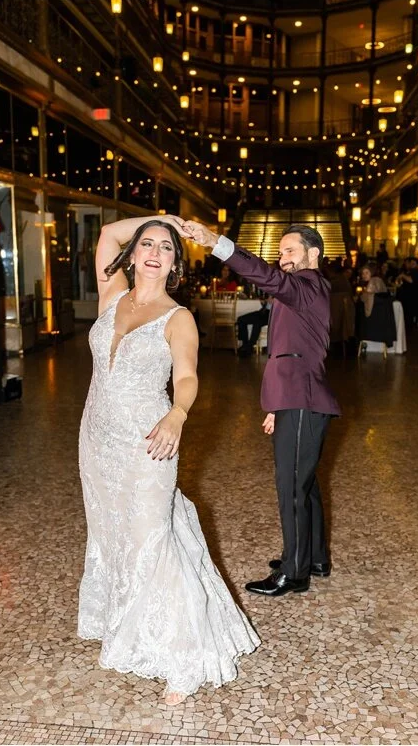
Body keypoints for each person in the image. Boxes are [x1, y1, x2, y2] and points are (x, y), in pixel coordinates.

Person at [77, 215, 259, 705]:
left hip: (149, 440)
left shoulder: (177, 317)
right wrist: (166, 219)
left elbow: (187, 377)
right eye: (147, 244)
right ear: (133, 254)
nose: (155, 251)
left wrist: (178, 415)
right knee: (112, 534)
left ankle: (184, 659)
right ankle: (128, 631)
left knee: (151, 540)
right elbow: (106, 234)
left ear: (176, 264)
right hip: (96, 439)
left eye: (167, 247)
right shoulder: (111, 295)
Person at [179, 219, 341, 599]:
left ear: (313, 253)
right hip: (296, 398)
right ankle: (313, 556)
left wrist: (217, 242)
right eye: (280, 252)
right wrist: (274, 406)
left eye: (290, 251)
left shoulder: (307, 285)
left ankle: (294, 572)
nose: (282, 258)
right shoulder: (302, 292)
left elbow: (264, 275)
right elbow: (287, 352)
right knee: (306, 481)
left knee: (292, 487)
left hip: (303, 399)